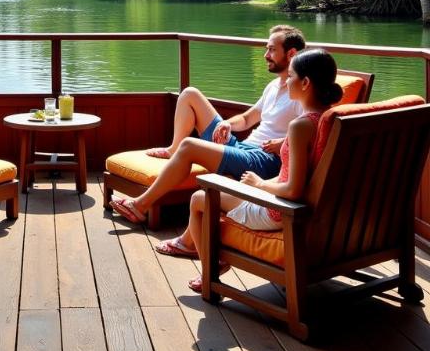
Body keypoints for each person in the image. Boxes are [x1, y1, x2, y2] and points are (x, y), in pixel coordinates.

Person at [110, 25, 306, 256]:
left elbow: (308, 129)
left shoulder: (301, 90)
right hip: (244, 148)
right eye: (266, 49)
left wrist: (282, 142)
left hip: (263, 159)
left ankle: (140, 205)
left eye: (272, 50)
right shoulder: (273, 86)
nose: (266, 55)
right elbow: (247, 118)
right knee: (190, 94)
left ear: (291, 54)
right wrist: (227, 124)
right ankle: (174, 150)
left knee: (190, 146)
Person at [184, 48, 343, 292]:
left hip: (282, 211)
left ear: (306, 83)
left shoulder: (301, 126)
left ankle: (210, 271)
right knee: (224, 183)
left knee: (198, 199)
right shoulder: (334, 118)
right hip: (323, 212)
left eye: (290, 76)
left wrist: (259, 184)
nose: (286, 81)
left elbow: (293, 190)